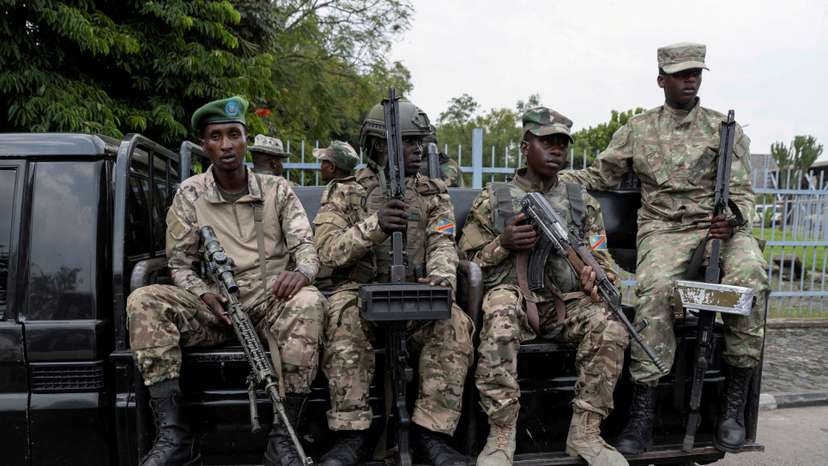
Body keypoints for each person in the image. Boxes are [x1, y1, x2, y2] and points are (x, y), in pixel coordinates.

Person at [559, 43, 769, 454]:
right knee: (654, 290)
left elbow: (744, 193)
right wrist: (550, 178)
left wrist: (734, 219)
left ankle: (733, 404)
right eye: (682, 73)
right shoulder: (639, 129)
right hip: (664, 229)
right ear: (662, 80)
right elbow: (601, 173)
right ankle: (643, 413)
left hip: (719, 227)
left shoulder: (725, 130)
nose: (691, 79)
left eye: (697, 73)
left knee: (751, 279)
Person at [126, 96, 326, 466]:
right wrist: (203, 294)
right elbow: (180, 264)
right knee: (145, 300)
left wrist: (300, 274)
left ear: (246, 140)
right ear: (205, 145)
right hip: (217, 309)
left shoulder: (277, 190)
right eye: (216, 136)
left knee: (310, 302)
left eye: (234, 134)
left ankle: (283, 438)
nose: (227, 144)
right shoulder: (190, 194)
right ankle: (175, 436)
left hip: (272, 303)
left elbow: (307, 247)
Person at [460, 107, 629, 466]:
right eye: (547, 142)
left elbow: (602, 257)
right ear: (525, 146)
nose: (556, 150)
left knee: (611, 326)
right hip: (514, 298)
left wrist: (599, 277)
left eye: (562, 144)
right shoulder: (495, 199)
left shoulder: (580, 201)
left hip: (566, 303)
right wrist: (502, 244)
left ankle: (585, 433)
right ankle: (501, 434)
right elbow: (466, 266)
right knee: (501, 316)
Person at [313, 99, 474, 466]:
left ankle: (429, 433)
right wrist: (375, 227)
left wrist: (442, 278)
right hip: (360, 297)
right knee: (342, 317)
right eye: (409, 140)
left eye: (421, 140)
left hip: (415, 294)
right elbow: (326, 253)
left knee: (454, 323)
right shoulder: (345, 191)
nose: (419, 148)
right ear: (380, 144)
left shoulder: (433, 193)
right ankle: (352, 434)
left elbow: (442, 243)